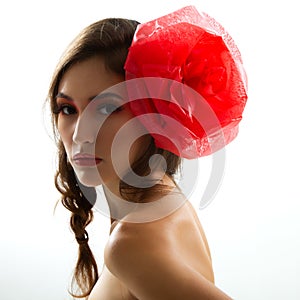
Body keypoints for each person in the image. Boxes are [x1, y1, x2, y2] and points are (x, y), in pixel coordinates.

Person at [47, 6, 247, 300]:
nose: (79, 135)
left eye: (106, 108)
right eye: (68, 109)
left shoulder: (132, 243)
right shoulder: (164, 199)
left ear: (154, 113)